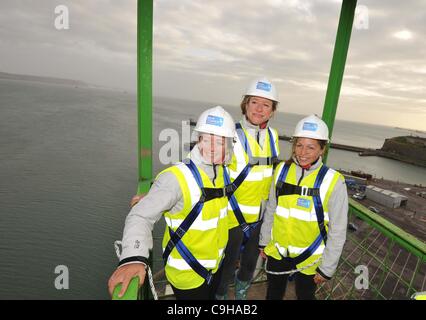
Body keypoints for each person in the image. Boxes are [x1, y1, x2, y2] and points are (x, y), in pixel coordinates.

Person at [108, 106, 236, 300]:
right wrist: (133, 257)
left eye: (219, 142)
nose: (211, 148)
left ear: (228, 145)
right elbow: (140, 215)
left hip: (214, 266)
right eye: (206, 139)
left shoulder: (221, 173)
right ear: (198, 139)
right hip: (188, 274)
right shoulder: (175, 178)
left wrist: (154, 194)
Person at [259, 114, 348, 300]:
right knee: (273, 294)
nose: (302, 152)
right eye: (299, 145)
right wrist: (264, 241)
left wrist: (327, 268)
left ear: (322, 149)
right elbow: (271, 210)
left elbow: (338, 230)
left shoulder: (333, 182)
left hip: (310, 258)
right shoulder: (282, 171)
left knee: (305, 296)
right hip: (278, 251)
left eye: (311, 147)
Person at [215, 77, 281, 300]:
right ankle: (221, 298)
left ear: (272, 111)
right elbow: (201, 166)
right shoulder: (229, 135)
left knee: (250, 264)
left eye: (266, 105)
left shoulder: (273, 136)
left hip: (260, 218)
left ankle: (241, 295)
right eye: (254, 102)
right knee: (225, 266)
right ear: (245, 104)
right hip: (232, 218)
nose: (259, 109)